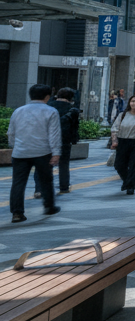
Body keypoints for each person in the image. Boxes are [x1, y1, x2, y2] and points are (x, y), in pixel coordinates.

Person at [9, 84, 63, 222]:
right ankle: (49, 207)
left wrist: (15, 147)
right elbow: (54, 135)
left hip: (20, 152)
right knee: (46, 180)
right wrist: (56, 153)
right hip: (42, 152)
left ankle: (17, 213)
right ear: (47, 96)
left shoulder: (18, 111)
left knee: (18, 183)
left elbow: (11, 133)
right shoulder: (51, 111)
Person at [48, 88, 81, 195]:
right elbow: (75, 127)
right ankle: (64, 187)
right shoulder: (72, 109)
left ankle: (39, 189)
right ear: (71, 97)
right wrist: (74, 139)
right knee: (64, 164)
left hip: (48, 139)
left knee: (45, 164)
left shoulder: (49, 106)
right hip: (64, 139)